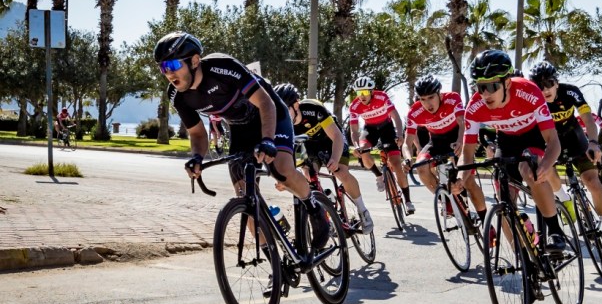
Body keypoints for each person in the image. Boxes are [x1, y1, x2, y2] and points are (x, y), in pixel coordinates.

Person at [154, 31, 331, 249]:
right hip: (240, 129)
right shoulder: (177, 95)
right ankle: (273, 259)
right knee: (245, 197)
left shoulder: (222, 68)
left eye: (172, 65)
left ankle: (314, 209)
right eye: (163, 68)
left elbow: (265, 103)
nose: (168, 73)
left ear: (195, 60)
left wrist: (268, 140)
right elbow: (198, 133)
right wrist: (197, 157)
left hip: (271, 115)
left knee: (281, 171)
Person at [453, 49, 568, 251]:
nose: (485, 94)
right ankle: (523, 255)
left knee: (530, 170)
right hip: (506, 140)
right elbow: (467, 152)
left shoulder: (529, 92)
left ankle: (555, 231)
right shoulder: (474, 107)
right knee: (503, 198)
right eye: (480, 87)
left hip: (533, 136)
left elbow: (553, 141)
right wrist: (461, 178)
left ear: (507, 83)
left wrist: (545, 165)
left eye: (492, 86)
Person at [530, 61, 602, 254]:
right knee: (545, 169)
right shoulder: (532, 101)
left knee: (592, 181)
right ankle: (564, 199)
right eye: (539, 86)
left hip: (575, 138)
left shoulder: (571, 92)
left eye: (549, 83)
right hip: (551, 141)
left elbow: (588, 118)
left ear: (556, 83)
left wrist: (593, 142)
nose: (545, 89)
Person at [274, 82, 374, 233]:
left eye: (285, 110)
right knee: (308, 175)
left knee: (340, 172)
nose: (283, 116)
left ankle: (363, 210)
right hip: (310, 145)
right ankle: (327, 203)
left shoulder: (313, 109)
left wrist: (334, 158)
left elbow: (336, 137)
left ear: (296, 105)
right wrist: (283, 179)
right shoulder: (283, 124)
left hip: (331, 139)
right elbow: (285, 153)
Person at [348, 76, 415, 215]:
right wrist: (356, 146)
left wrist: (399, 135)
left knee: (396, 164)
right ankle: (378, 175)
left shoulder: (382, 97)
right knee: (363, 152)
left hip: (386, 128)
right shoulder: (354, 106)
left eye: (365, 92)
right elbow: (354, 130)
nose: (362, 96)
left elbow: (396, 116)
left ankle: (408, 200)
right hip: (370, 129)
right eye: (359, 93)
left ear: (371, 91)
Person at [404, 74, 466, 197]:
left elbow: (462, 122)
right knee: (421, 166)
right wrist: (407, 158)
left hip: (456, 138)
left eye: (431, 97)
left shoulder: (452, 98)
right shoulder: (414, 112)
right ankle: (443, 198)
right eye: (422, 99)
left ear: (439, 94)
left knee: (469, 184)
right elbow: (407, 143)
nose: (427, 103)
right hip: (436, 141)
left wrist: (460, 141)